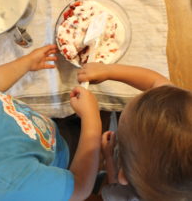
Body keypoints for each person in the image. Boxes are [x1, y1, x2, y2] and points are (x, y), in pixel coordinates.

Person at [0, 0, 102, 201]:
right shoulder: (7, 181)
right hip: (61, 164)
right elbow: (79, 188)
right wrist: (92, 121)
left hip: (40, 135)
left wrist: (25, 63)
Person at [77, 63, 192, 201]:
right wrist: (108, 71)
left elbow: (113, 183)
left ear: (123, 174)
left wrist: (108, 160)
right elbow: (155, 81)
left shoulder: (120, 196)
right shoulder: (176, 109)